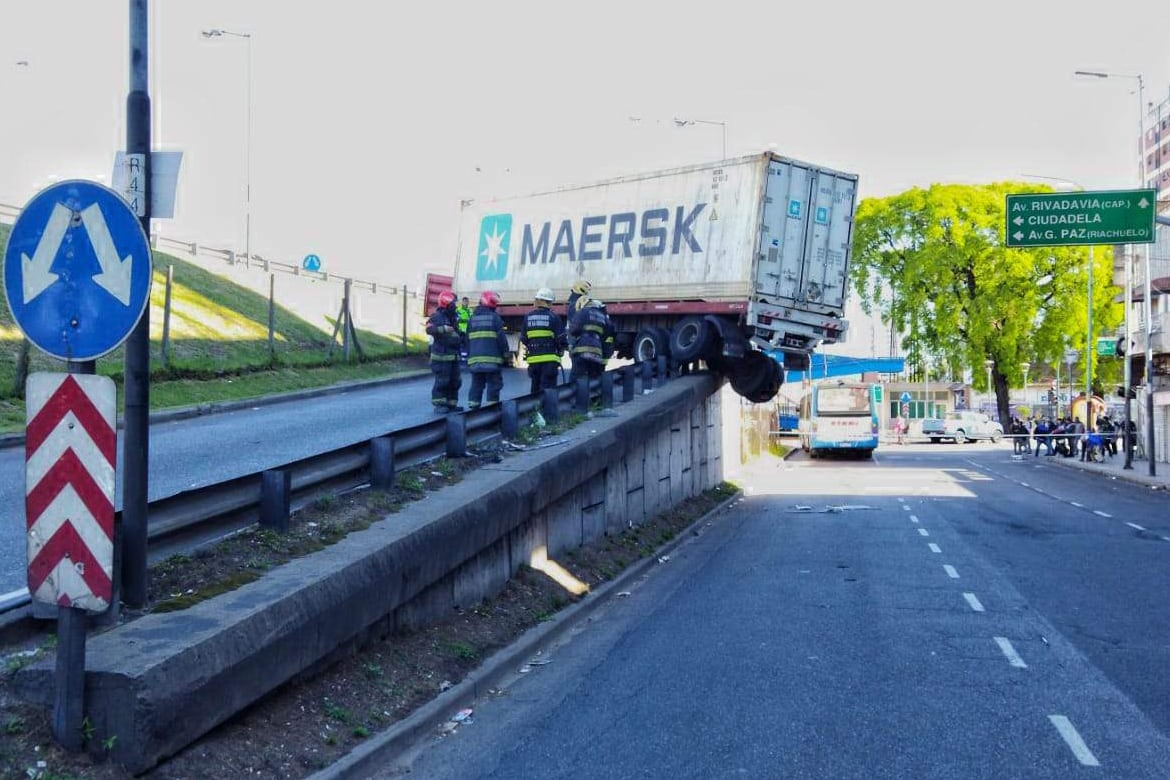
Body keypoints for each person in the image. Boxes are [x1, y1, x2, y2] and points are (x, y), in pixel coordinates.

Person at [466, 291, 509, 410]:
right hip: (492, 361)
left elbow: (467, 339)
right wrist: (505, 353)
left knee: (476, 384)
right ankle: (492, 409)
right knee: (494, 384)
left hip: (475, 360)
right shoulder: (495, 318)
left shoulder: (472, 319)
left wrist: (470, 356)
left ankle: (473, 409)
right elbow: (501, 339)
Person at [521, 287, 566, 394]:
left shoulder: (528, 317)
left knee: (535, 389)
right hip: (550, 361)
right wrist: (562, 349)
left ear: (538, 300)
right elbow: (561, 339)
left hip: (533, 361)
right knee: (548, 391)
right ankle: (547, 405)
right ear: (549, 302)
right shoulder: (554, 317)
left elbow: (523, 338)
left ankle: (534, 405)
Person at [426, 290, 463, 412]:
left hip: (453, 356)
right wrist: (443, 329)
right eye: (453, 303)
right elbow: (429, 329)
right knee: (442, 381)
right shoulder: (437, 317)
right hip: (441, 357)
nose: (455, 306)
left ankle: (451, 404)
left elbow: (456, 333)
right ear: (447, 303)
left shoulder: (453, 317)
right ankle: (439, 405)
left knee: (455, 381)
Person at [569, 296, 608, 382]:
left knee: (576, 380)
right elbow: (606, 334)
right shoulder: (602, 316)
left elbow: (573, 330)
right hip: (597, 352)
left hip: (582, 351)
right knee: (594, 380)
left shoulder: (582, 312)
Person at [456, 296, 472, 360]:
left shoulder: (470, 310)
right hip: (460, 330)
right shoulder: (458, 310)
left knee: (467, 343)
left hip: (468, 330)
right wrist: (466, 320)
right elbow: (457, 320)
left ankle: (467, 356)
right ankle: (461, 356)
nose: (466, 303)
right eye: (464, 301)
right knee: (460, 344)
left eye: (467, 301)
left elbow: (471, 318)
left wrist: (465, 320)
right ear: (462, 302)